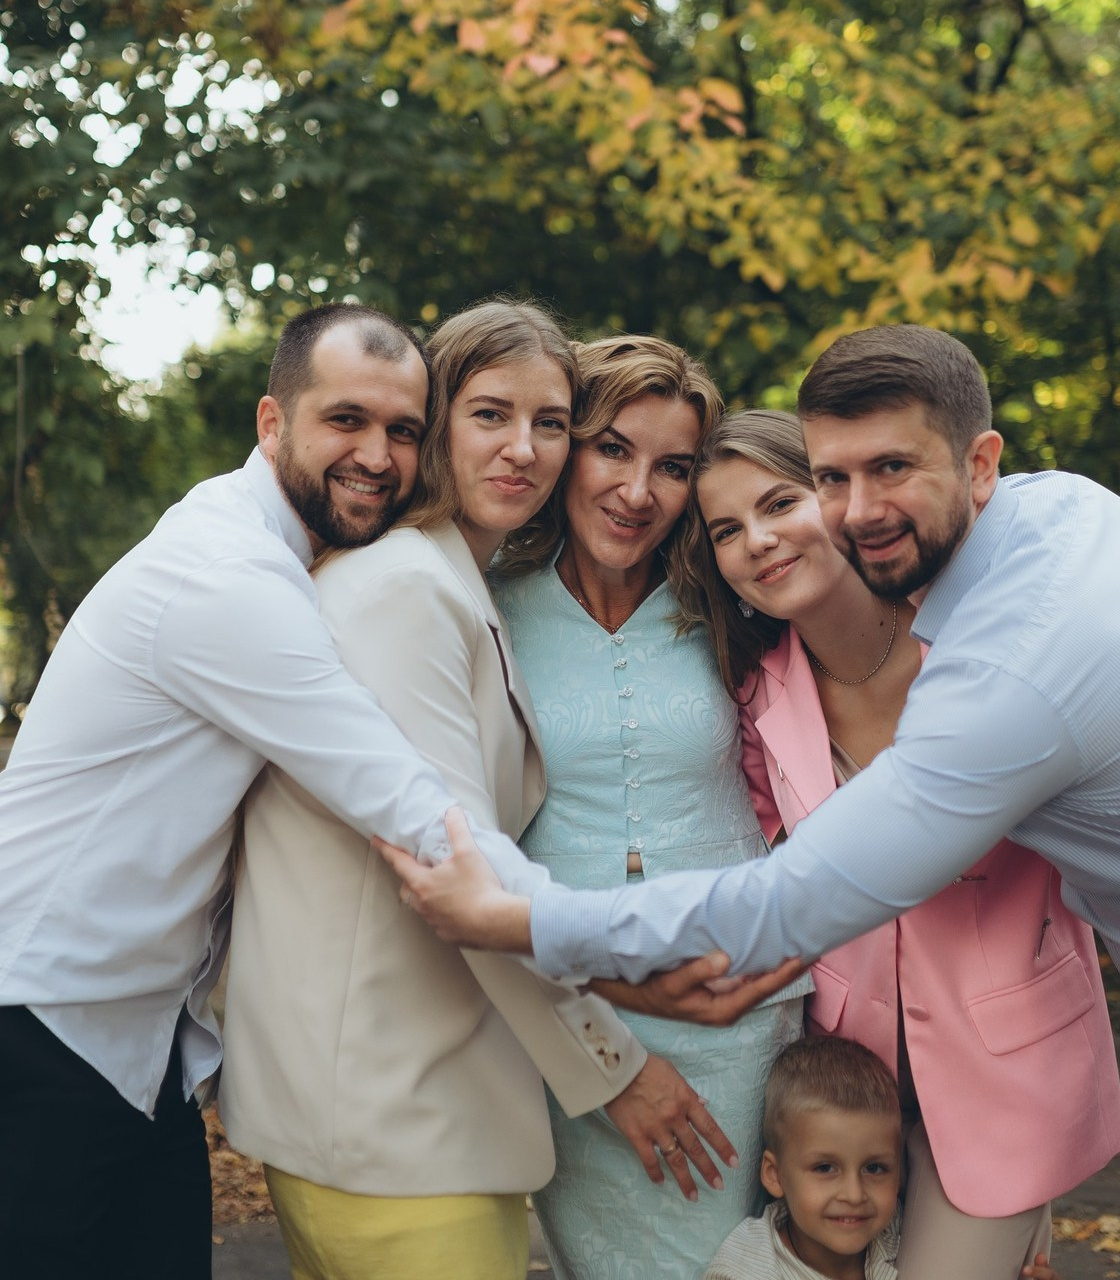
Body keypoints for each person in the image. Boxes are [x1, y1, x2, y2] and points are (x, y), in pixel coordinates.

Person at [385, 323, 1120, 1280]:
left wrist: (520, 917)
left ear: (981, 465)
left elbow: (800, 896)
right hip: (853, 1083)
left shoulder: (994, 673)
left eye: (883, 470)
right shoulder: (1044, 523)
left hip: (1030, 1071)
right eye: (834, 478)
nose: (854, 510)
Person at [0, 302, 610, 1280]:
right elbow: (414, 807)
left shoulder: (286, 557)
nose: (376, 454)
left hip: (134, 1045)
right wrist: (638, 946)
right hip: (38, 1025)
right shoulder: (229, 581)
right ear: (272, 422)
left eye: (402, 430)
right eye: (345, 420)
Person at [221, 301, 736, 1280]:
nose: (524, 449)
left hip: (406, 1121)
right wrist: (613, 1065)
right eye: (490, 414)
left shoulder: (450, 581)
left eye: (550, 423)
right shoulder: (407, 589)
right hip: (393, 1124)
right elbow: (456, 871)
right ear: (435, 417)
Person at [669, 408, 1120, 1279]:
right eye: (727, 530)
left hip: (1007, 1072)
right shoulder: (755, 699)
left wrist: (1039, 1185)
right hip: (851, 1089)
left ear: (838, 501)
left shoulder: (973, 646)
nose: (758, 541)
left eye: (779, 503)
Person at [489, 336, 809, 1277]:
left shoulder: (730, 604)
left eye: (673, 467)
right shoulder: (484, 608)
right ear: (566, 449)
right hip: (577, 1014)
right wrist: (596, 1055)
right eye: (613, 449)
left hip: (747, 1014)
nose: (639, 490)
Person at [704, 1036, 902, 1280]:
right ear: (774, 1175)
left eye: (874, 1168)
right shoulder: (748, 1272)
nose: (854, 1194)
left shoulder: (901, 1234)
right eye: (825, 1168)